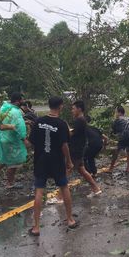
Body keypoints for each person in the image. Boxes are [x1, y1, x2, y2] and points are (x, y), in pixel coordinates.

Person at [28, 96, 78, 235]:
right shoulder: (62, 124)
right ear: (61, 106)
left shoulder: (38, 122)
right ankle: (70, 220)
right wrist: (68, 161)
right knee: (64, 187)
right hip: (56, 161)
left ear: (49, 105)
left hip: (41, 161)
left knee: (39, 191)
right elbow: (64, 145)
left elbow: (31, 142)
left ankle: (36, 227)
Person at [0, 92, 28, 188]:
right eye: (22, 100)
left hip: (2, 137)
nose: (23, 101)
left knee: (5, 158)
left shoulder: (4, 108)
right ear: (18, 101)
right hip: (11, 140)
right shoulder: (16, 112)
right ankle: (10, 183)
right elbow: (19, 127)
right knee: (13, 163)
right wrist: (24, 138)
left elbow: (7, 122)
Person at [70, 101, 102, 197]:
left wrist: (63, 128)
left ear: (79, 109)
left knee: (67, 170)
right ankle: (96, 188)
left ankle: (59, 196)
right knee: (82, 170)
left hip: (76, 150)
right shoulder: (81, 120)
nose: (72, 111)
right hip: (79, 149)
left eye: (73, 108)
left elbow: (72, 134)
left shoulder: (79, 120)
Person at [108, 106, 129, 174]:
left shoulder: (118, 120)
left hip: (125, 135)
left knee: (117, 150)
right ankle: (128, 168)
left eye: (116, 112)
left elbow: (113, 132)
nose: (115, 114)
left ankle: (111, 168)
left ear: (119, 112)